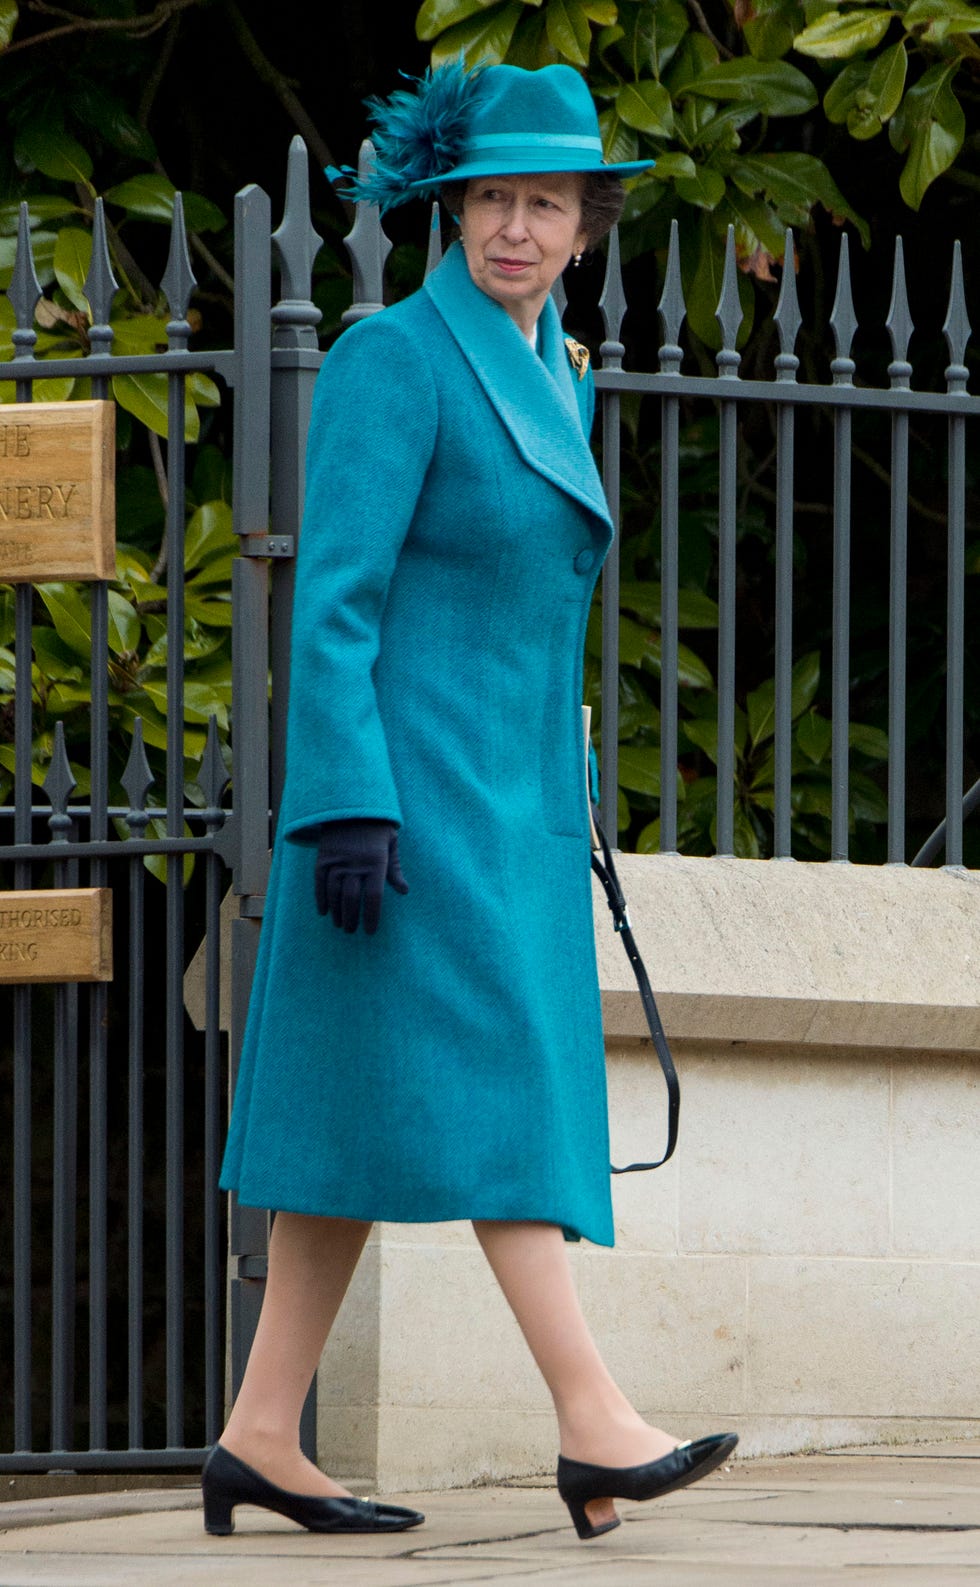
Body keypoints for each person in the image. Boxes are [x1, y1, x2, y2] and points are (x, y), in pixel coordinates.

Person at [203, 61, 737, 1543]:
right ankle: (593, 1420)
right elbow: (334, 602)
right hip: (404, 819)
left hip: (513, 812)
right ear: (451, 209)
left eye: (546, 204)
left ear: (585, 227)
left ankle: (259, 1436)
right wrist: (344, 804)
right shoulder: (396, 357)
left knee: (348, 1124)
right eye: (493, 198)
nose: (516, 227)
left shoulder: (562, 368)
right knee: (509, 1092)